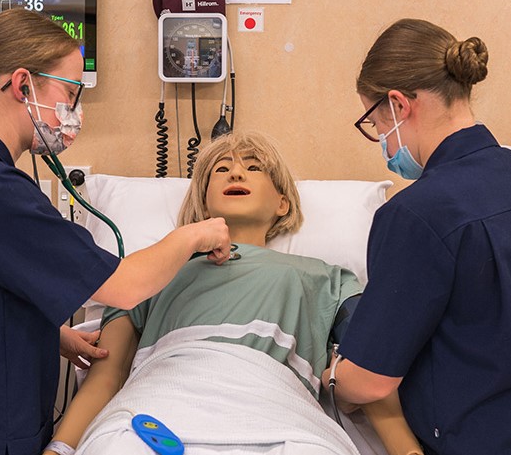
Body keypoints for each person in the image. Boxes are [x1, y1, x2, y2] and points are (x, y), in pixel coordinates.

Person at [0, 8, 230, 455]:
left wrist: (50, 336)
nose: (75, 113)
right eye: (70, 94)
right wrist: (195, 234)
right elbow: (125, 287)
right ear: (22, 85)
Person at [43, 131, 422, 455]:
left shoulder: (327, 279)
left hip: (281, 416)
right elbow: (105, 377)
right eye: (221, 169)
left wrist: (407, 450)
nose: (236, 171)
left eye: (254, 167)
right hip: (156, 409)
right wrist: (59, 449)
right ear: (204, 200)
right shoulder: (146, 274)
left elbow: (374, 376)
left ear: (282, 203)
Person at [324, 18, 511, 454]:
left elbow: (371, 381)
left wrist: (333, 374)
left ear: (397, 105)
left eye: (374, 122)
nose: (381, 140)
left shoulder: (415, 214)